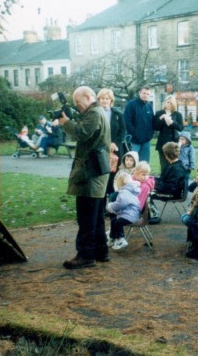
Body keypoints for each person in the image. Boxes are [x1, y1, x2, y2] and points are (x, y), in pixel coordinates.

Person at [59, 86, 111, 269]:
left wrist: (65, 122)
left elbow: (82, 133)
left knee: (86, 218)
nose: (76, 106)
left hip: (90, 174)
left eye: (77, 102)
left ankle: (86, 256)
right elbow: (86, 131)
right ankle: (101, 251)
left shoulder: (95, 113)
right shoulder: (98, 112)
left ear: (88, 97)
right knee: (95, 217)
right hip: (96, 173)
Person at [98, 89, 126, 195]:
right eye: (102, 99)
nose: (105, 101)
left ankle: (112, 198)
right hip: (100, 149)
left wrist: (115, 143)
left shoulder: (117, 114)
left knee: (113, 173)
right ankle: (101, 198)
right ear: (98, 100)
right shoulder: (96, 113)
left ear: (111, 100)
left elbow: (122, 130)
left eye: (107, 99)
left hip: (114, 149)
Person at [106, 173, 141, 251]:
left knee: (118, 222)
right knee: (113, 221)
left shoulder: (124, 192)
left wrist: (110, 206)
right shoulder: (130, 190)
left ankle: (121, 239)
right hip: (132, 213)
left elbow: (120, 204)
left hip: (130, 214)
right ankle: (112, 238)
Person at [151, 142, 186, 211]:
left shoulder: (176, 169)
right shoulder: (173, 165)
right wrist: (151, 179)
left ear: (166, 155)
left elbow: (170, 187)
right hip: (170, 191)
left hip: (172, 194)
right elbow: (163, 180)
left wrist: (154, 183)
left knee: (146, 193)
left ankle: (152, 214)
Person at [123, 86, 154, 162]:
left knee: (144, 164)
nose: (145, 95)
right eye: (144, 93)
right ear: (139, 93)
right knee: (132, 163)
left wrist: (150, 134)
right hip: (134, 141)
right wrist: (134, 134)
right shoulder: (131, 104)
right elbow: (127, 121)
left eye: (148, 94)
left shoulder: (148, 106)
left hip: (146, 141)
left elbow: (152, 121)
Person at [153, 95, 184, 171]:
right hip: (162, 142)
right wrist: (161, 119)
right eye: (168, 102)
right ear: (165, 103)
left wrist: (172, 123)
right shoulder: (159, 113)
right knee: (163, 165)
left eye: (171, 103)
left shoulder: (177, 114)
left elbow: (180, 128)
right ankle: (164, 180)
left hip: (174, 142)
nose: (169, 104)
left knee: (173, 165)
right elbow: (155, 127)